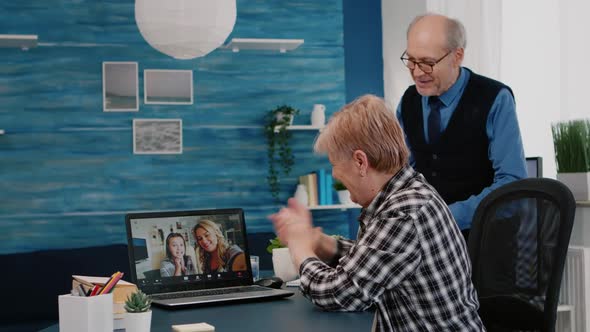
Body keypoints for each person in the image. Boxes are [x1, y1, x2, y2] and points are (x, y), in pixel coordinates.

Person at [269, 95, 484, 331]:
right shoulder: (407, 193)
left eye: (334, 164)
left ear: (360, 162)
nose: (334, 175)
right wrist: (324, 244)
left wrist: (300, 248)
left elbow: (339, 293)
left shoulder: (403, 211)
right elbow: (379, 259)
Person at [396, 13, 527, 240]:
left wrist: (447, 216)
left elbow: (512, 183)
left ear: (457, 56)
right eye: (411, 60)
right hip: (429, 243)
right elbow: (404, 173)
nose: (417, 72)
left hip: (486, 240)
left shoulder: (495, 98)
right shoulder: (408, 102)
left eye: (427, 63)